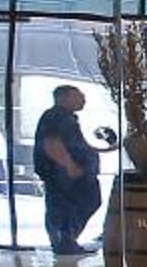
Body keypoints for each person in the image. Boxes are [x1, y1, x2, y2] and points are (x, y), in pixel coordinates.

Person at [32, 83, 109, 255]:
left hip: (70, 172)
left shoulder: (66, 118)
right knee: (71, 205)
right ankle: (64, 241)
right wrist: (69, 165)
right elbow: (52, 143)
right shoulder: (56, 117)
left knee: (80, 202)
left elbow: (74, 144)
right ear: (63, 98)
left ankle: (67, 240)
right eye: (78, 96)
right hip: (64, 174)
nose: (83, 100)